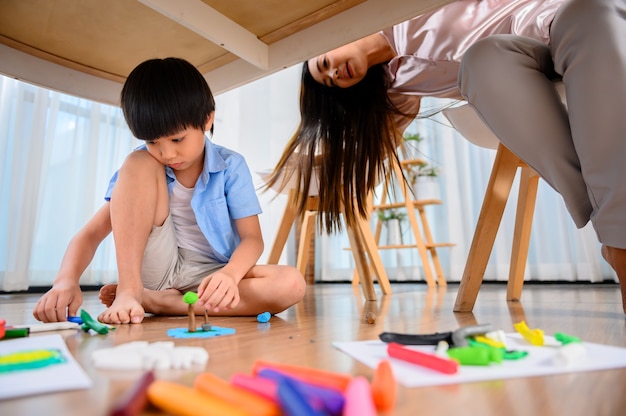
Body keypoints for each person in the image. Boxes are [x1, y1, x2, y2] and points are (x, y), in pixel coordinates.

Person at [266, 0, 626, 313]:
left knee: (589, 8)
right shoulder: (394, 91)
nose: (333, 72)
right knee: (480, 59)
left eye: (325, 62)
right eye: (330, 80)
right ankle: (615, 231)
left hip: (559, 20)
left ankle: (617, 240)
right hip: (515, 66)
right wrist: (299, 170)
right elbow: (374, 158)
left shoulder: (388, 11)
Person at [33, 57, 306, 324]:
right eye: (152, 141)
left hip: (213, 272)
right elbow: (91, 233)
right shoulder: (143, 168)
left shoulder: (230, 166)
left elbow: (252, 239)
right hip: (159, 269)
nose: (167, 153)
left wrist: (230, 276)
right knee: (137, 161)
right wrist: (65, 281)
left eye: (177, 139)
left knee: (291, 284)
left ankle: (157, 302)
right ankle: (131, 291)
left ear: (207, 119)